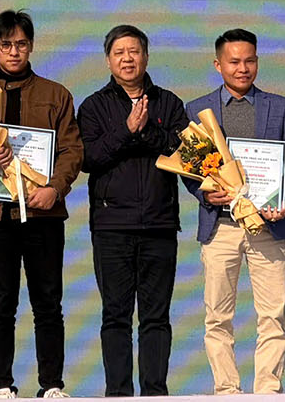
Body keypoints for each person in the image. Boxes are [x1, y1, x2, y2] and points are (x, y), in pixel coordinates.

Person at [0, 8, 84, 400]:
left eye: (21, 44)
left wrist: (55, 189)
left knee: (48, 301)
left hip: (43, 212)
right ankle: (1, 385)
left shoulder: (56, 94)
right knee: (0, 301)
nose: (14, 51)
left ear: (32, 46)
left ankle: (52, 384)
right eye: (6, 44)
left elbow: (72, 150)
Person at [183, 29, 285, 396]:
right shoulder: (197, 108)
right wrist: (206, 194)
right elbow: (189, 169)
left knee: (273, 315)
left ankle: (268, 389)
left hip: (269, 225)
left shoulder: (279, 106)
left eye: (249, 61)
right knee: (217, 316)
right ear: (217, 64)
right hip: (220, 226)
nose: (243, 68)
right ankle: (227, 390)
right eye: (234, 62)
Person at [76, 24, 188, 397]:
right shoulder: (94, 106)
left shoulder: (168, 103)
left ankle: (155, 392)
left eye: (134, 51)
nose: (128, 59)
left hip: (159, 224)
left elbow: (184, 152)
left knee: (156, 317)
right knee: (116, 316)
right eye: (119, 53)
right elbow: (88, 158)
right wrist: (126, 130)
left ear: (146, 56)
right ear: (108, 60)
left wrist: (145, 132)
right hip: (112, 226)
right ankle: (118, 394)